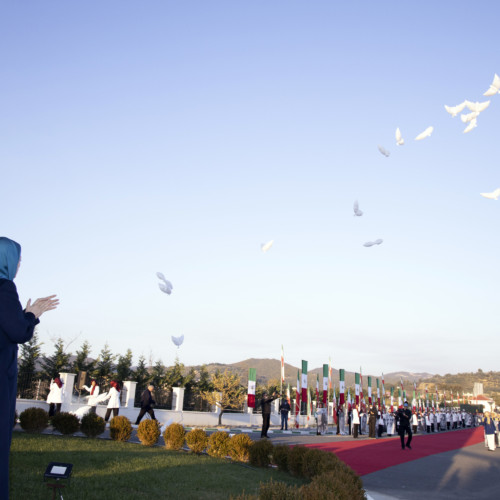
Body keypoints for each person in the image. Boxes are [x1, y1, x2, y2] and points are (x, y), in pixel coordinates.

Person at [0, 236, 59, 500]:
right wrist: (32, 314)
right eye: (18, 259)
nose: (20, 264)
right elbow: (17, 331)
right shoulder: (4, 287)